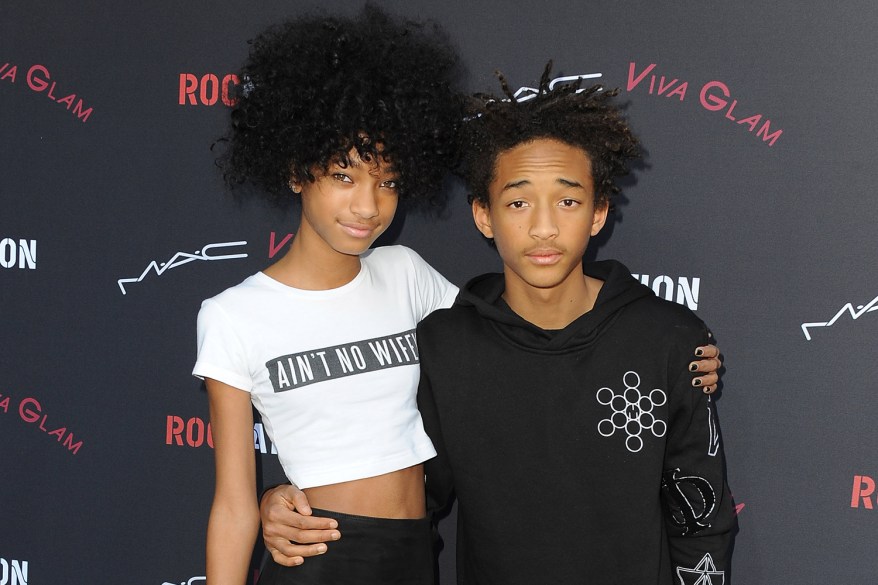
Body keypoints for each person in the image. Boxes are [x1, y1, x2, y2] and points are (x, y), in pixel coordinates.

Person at [259, 64, 732, 584]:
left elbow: (702, 520)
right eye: (518, 202)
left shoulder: (669, 340)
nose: (544, 226)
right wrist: (290, 503)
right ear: (484, 215)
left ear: (598, 213)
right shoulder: (447, 343)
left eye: (568, 201)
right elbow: (412, 493)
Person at [192, 7, 463, 585]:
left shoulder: (406, 274)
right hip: (317, 560)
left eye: (387, 179)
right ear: (296, 170)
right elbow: (233, 504)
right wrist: (268, 503)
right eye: (344, 175)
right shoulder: (232, 317)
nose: (369, 205)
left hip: (417, 554)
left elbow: (513, 345)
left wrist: (659, 345)